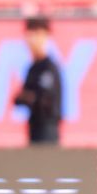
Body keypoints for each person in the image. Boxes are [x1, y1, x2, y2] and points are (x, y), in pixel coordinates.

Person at [13, 17, 63, 145]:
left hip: (47, 129)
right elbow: (19, 99)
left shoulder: (49, 67)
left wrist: (29, 98)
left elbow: (46, 102)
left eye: (35, 34)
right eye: (28, 35)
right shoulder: (32, 68)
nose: (30, 40)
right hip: (34, 127)